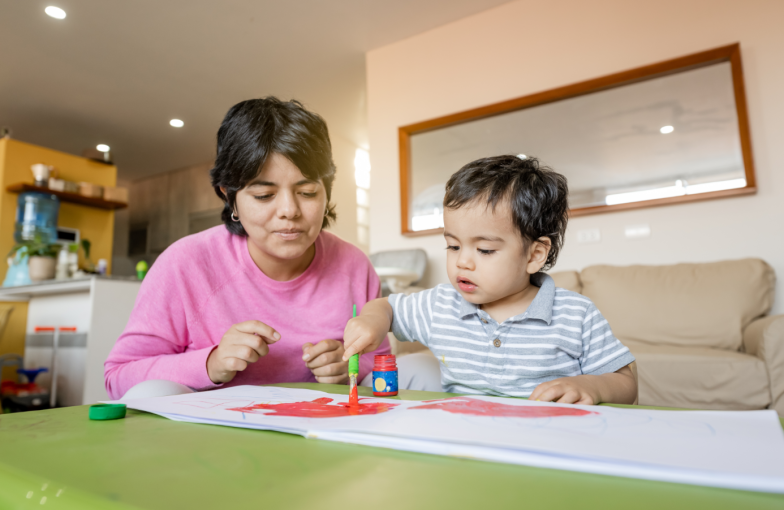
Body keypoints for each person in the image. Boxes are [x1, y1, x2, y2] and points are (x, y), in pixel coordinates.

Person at [104, 97, 440, 400]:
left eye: (307, 192)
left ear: (327, 191)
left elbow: (376, 357)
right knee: (151, 393)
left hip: (325, 427)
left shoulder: (353, 264)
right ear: (229, 196)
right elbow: (119, 376)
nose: (289, 211)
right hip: (211, 438)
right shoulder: (186, 263)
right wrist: (211, 363)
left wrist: (347, 366)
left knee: (425, 369)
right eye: (264, 195)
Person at [343, 155, 637, 405]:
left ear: (534, 255)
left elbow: (626, 382)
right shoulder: (440, 305)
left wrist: (593, 388)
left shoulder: (576, 314)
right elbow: (387, 307)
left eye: (484, 250)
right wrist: (373, 321)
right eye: (453, 246)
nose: (462, 261)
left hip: (548, 443)